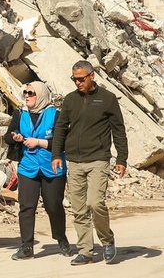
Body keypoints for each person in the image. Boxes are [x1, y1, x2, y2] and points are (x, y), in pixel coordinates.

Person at [51, 60, 128, 266]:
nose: (77, 83)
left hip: (98, 159)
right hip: (74, 161)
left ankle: (107, 240)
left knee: (95, 202)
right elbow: (60, 128)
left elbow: (119, 130)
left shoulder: (108, 99)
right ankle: (85, 251)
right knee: (79, 208)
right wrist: (56, 154)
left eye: (81, 78)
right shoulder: (70, 100)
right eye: (74, 79)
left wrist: (121, 159)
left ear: (92, 76)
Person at [4, 81, 71, 260]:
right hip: (28, 167)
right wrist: (16, 137)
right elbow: (7, 138)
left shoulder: (55, 115)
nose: (27, 95)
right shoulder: (20, 113)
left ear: (40, 95)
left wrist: (39, 142)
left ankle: (61, 238)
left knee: (53, 205)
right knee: (26, 206)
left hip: (52, 167)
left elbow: (63, 142)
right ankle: (26, 246)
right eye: (25, 92)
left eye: (31, 93)